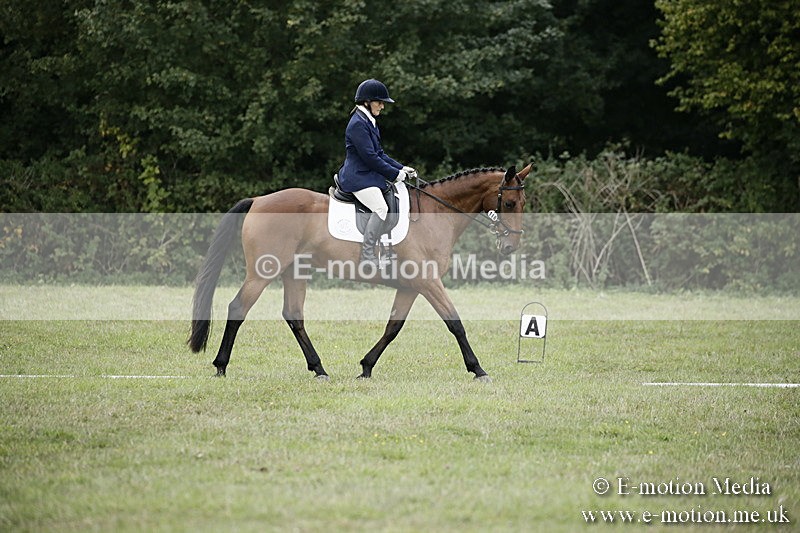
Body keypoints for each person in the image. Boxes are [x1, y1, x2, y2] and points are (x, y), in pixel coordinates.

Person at [338, 79, 416, 266]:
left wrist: (400, 168)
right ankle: (368, 256)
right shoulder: (358, 123)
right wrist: (394, 175)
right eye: (379, 102)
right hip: (357, 177)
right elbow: (370, 158)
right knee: (381, 208)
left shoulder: (368, 121)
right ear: (366, 101)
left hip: (367, 174)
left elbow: (380, 153)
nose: (382, 106)